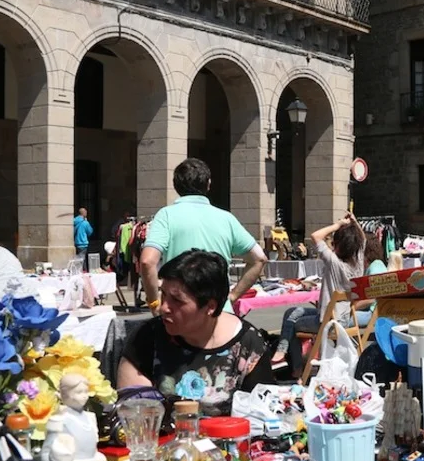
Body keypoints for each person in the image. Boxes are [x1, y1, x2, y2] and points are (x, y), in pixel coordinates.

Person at [118, 250, 274, 417]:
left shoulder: (248, 344)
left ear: (210, 306)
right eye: (163, 294)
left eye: (177, 300)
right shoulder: (147, 337)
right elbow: (134, 416)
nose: (164, 308)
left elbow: (263, 417)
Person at [141, 158, 267, 315]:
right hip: (219, 312)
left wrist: (154, 303)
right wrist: (232, 296)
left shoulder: (166, 215)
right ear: (208, 184)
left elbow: (147, 261)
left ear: (175, 185)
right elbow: (259, 259)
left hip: (181, 313)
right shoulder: (226, 218)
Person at [271, 214, 365, 375]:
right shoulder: (358, 263)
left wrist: (338, 225)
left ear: (339, 245)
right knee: (292, 312)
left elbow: (315, 236)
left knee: (292, 323)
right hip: (343, 317)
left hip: (328, 322)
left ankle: (295, 366)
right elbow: (362, 239)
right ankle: (283, 351)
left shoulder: (334, 262)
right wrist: (354, 222)